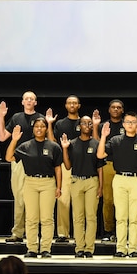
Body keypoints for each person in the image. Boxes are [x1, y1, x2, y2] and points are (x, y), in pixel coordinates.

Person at [97, 111, 137, 258]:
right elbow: (100, 155)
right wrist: (103, 136)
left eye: (133, 122)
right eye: (128, 122)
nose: (130, 125)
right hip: (120, 178)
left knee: (134, 218)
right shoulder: (115, 140)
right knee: (120, 216)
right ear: (123, 124)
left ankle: (133, 248)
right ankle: (120, 248)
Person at [5, 117, 62, 258]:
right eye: (37, 126)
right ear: (33, 128)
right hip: (30, 182)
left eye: (42, 126)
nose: (39, 129)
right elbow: (8, 157)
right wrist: (14, 139)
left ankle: (45, 248)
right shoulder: (26, 145)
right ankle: (32, 248)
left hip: (48, 183)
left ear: (46, 128)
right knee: (31, 218)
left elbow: (58, 168)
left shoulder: (53, 146)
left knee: (47, 218)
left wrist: (59, 187)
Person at [0, 91, 45, 243]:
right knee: (19, 198)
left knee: (36, 199)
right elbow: (4, 136)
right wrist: (1, 117)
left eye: (32, 99)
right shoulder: (17, 117)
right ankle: (18, 232)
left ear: (35, 102)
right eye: (26, 98)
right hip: (18, 161)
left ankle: (34, 233)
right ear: (22, 102)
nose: (29, 101)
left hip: (37, 161)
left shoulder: (41, 119)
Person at [60, 115, 105, 258]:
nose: (87, 125)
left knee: (91, 217)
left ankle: (89, 248)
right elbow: (67, 166)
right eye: (84, 123)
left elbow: (100, 168)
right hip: (76, 181)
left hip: (92, 181)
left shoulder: (96, 144)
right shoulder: (72, 143)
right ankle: (79, 247)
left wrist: (101, 186)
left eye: (90, 123)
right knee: (78, 217)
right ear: (79, 126)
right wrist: (65, 149)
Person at [46, 95, 82, 243]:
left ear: (79, 105)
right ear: (66, 106)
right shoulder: (60, 124)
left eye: (75, 103)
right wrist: (49, 124)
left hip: (82, 165)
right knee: (63, 200)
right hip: (64, 165)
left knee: (81, 203)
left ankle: (80, 233)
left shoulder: (84, 122)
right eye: (69, 103)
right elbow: (52, 141)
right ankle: (63, 233)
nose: (72, 105)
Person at [92, 99, 125, 242]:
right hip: (107, 165)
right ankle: (108, 230)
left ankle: (122, 231)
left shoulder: (127, 124)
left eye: (119, 107)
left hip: (124, 166)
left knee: (123, 201)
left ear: (122, 110)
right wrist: (95, 126)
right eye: (113, 107)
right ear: (109, 110)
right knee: (108, 200)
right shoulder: (104, 125)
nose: (116, 110)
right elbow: (96, 143)